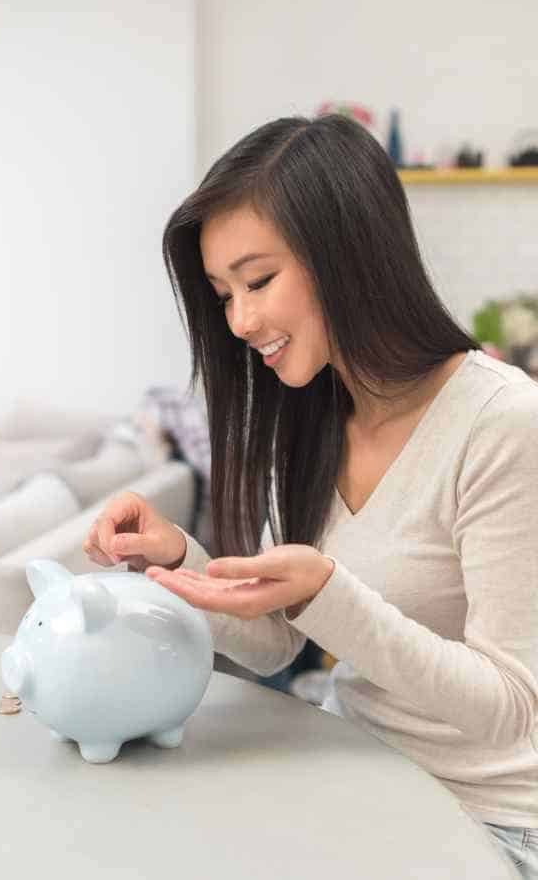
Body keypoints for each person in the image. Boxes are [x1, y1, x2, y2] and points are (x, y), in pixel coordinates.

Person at [83, 115, 538, 877]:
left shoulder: (502, 424)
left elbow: (508, 709)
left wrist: (332, 593)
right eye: (224, 294)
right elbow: (280, 645)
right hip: (355, 773)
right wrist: (178, 561)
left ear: (349, 254)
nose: (240, 322)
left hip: (488, 821)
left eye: (258, 281)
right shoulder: (309, 414)